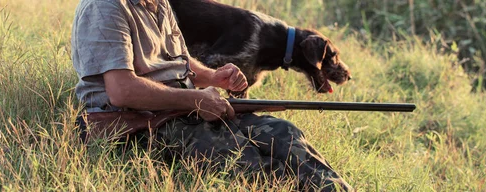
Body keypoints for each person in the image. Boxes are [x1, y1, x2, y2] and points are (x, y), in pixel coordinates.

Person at [71, 0, 353, 191]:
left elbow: (180, 61)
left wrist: (213, 77)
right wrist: (195, 100)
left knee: (285, 134)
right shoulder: (106, 7)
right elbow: (122, 90)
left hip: (182, 110)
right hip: (140, 125)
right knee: (247, 164)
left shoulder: (158, 4)